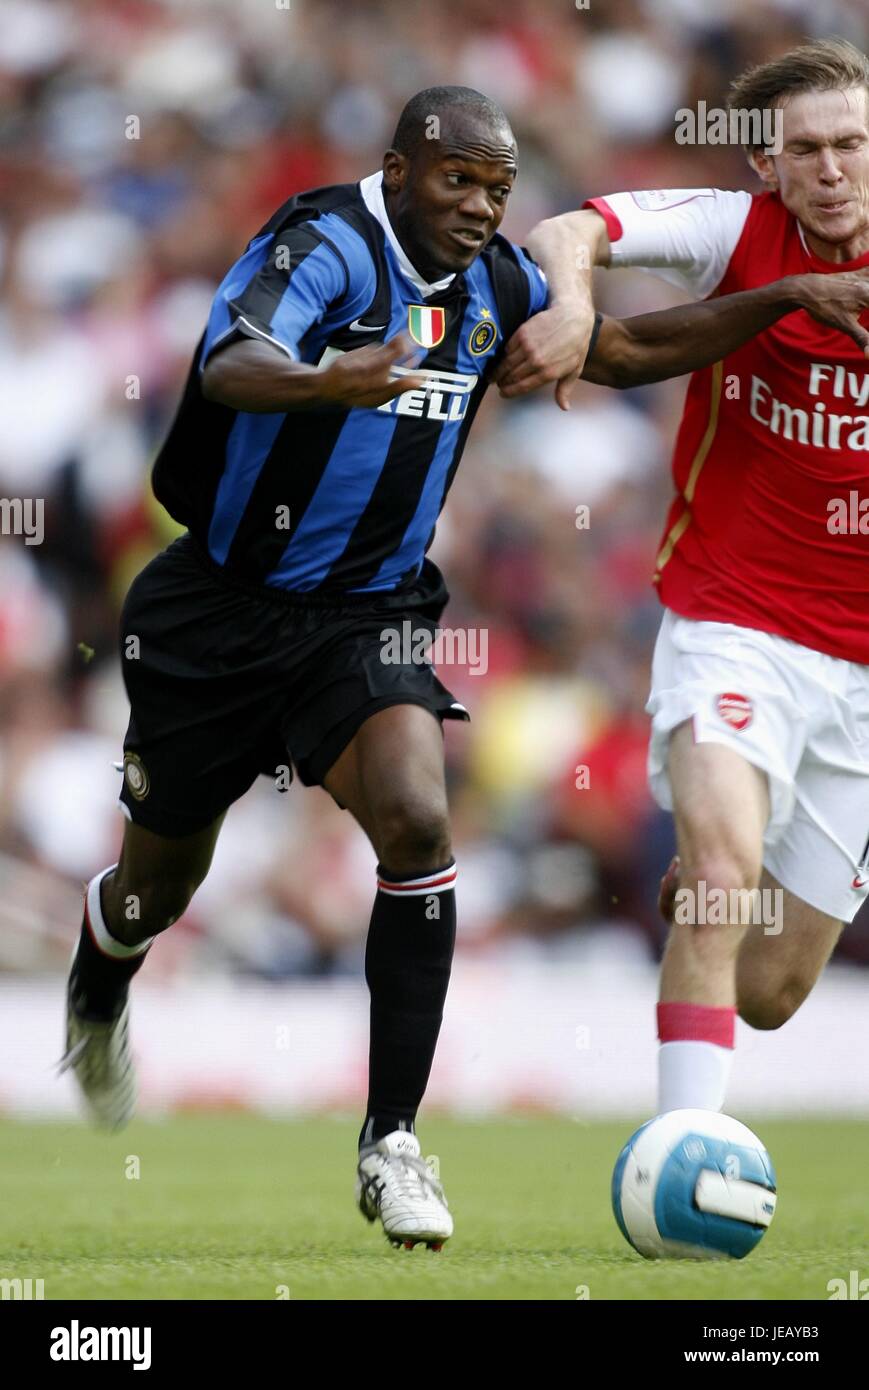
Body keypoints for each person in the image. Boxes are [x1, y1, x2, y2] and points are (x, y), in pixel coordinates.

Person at [61, 82, 869, 1249]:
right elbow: (234, 360)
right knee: (160, 882)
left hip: (369, 616)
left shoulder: (491, 289)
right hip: (218, 611)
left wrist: (780, 297)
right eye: (457, 181)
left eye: (497, 187)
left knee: (417, 826)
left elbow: (628, 350)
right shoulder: (325, 241)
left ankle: (390, 1140)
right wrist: (332, 378)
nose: (481, 207)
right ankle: (103, 968)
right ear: (398, 171)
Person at [498, 38, 869, 1118]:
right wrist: (570, 307)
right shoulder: (730, 233)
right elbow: (571, 228)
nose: (831, 170)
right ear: (767, 165)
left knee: (770, 988)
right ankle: (682, 1149)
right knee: (718, 880)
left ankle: (718, 879)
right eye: (806, 151)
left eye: (850, 144)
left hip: (859, 673)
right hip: (734, 623)